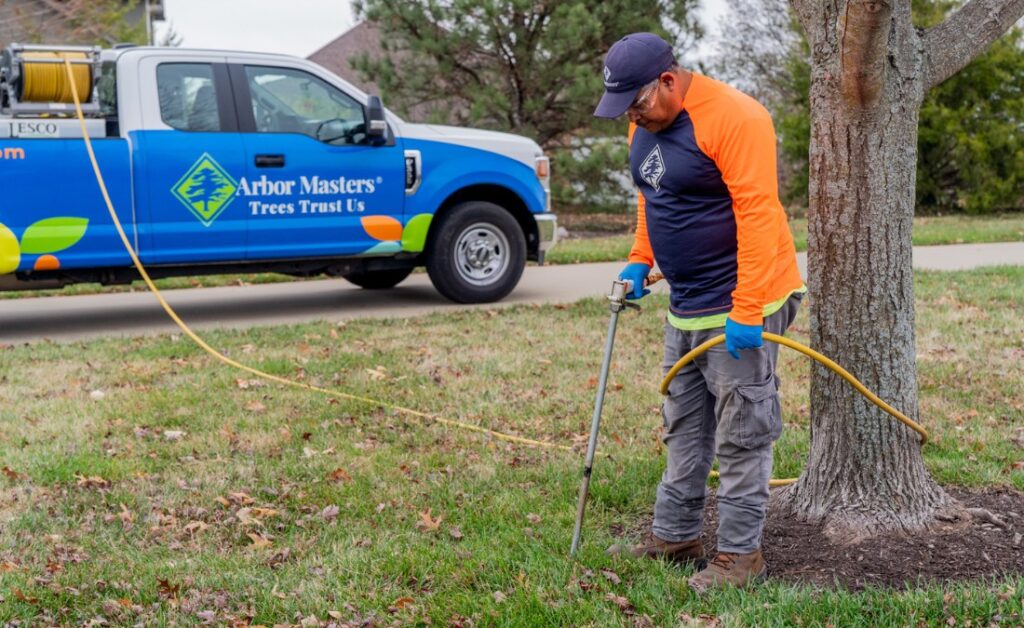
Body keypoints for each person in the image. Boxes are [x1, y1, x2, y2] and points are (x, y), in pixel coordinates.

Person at [594, 32, 805, 593]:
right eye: (624, 110)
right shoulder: (646, 121)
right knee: (684, 424)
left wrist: (747, 309)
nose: (631, 118)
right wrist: (642, 258)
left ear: (668, 80)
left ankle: (741, 556)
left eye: (637, 104)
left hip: (743, 300)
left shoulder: (736, 117)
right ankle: (676, 533)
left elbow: (759, 215)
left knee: (743, 431)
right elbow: (651, 194)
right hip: (685, 302)